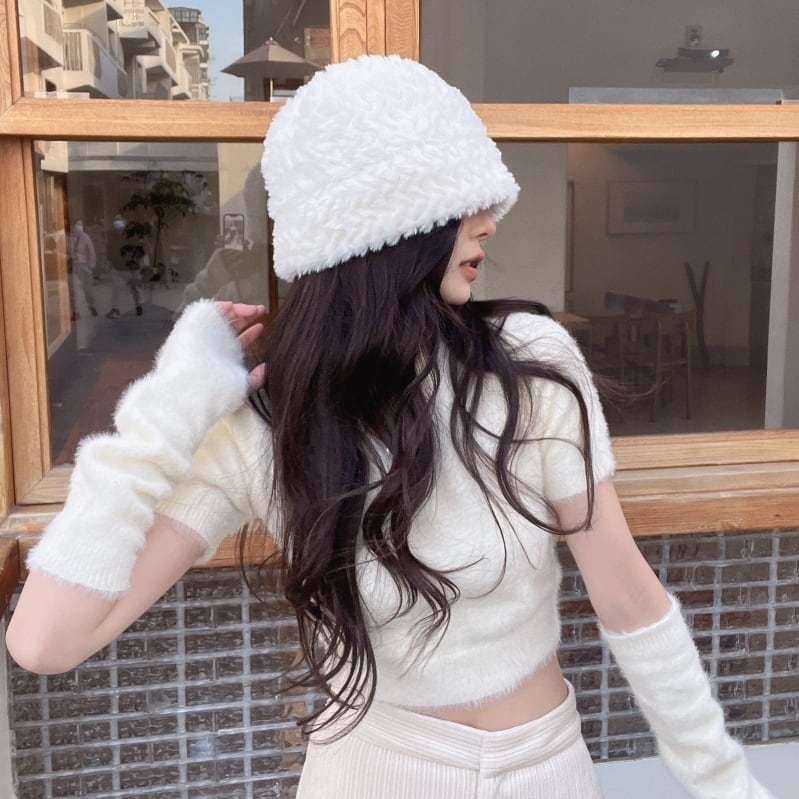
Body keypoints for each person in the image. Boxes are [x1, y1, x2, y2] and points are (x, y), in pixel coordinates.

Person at [6, 56, 774, 799]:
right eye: (462, 203)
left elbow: (629, 597)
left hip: (544, 764)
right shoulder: (267, 423)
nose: (489, 225)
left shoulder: (529, 364)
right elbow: (44, 641)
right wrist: (164, 412)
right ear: (388, 228)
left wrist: (724, 781)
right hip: (373, 769)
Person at [105, 213, 143, 318]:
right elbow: (109, 250)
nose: (117, 221)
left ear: (124, 221)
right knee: (116, 288)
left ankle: (138, 306)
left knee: (134, 287)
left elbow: (138, 249)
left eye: (119, 219)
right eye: (115, 219)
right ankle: (115, 308)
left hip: (130, 267)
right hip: (117, 266)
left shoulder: (131, 235)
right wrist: (111, 260)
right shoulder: (112, 236)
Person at [67, 219, 98, 319]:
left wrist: (91, 266)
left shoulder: (85, 237)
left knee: (87, 289)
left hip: (84, 267)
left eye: (80, 225)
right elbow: (65, 252)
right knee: (74, 290)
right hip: (74, 267)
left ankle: (92, 305)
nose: (79, 227)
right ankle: (75, 311)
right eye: (77, 225)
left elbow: (91, 252)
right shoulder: (69, 238)